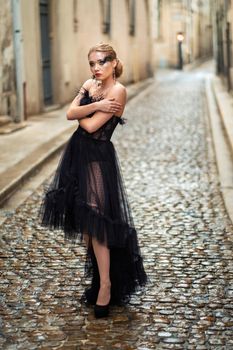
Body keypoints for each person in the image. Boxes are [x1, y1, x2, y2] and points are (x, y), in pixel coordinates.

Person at [40, 43, 148, 318]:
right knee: (88, 227)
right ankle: (101, 277)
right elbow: (68, 113)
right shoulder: (92, 84)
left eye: (101, 62)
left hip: (99, 159)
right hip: (78, 155)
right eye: (92, 63)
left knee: (98, 224)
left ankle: (107, 286)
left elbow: (88, 125)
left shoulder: (118, 91)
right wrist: (93, 101)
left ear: (113, 63)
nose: (96, 68)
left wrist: (86, 103)